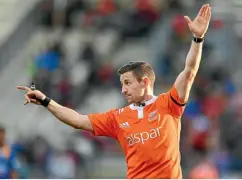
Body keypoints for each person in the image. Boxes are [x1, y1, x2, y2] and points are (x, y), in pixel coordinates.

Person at [17, 4, 211, 179]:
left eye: (127, 83)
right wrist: (45, 101)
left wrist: (197, 39)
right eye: (122, 84)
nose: (123, 89)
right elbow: (77, 120)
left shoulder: (168, 104)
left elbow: (189, 71)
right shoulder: (118, 117)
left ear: (144, 82)